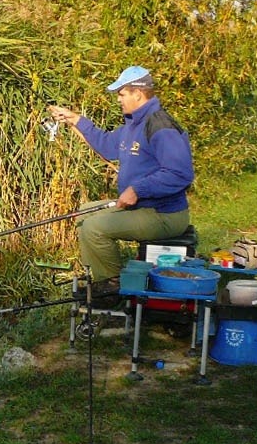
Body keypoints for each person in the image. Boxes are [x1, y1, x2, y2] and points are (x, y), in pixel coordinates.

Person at [48, 65, 194, 296]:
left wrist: (137, 189)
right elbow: (107, 145)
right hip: (143, 208)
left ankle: (112, 287)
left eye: (121, 93)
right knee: (85, 213)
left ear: (138, 93)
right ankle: (99, 277)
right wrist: (75, 120)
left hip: (165, 214)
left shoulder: (160, 126)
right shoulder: (134, 124)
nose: (118, 99)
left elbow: (180, 174)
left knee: (94, 228)